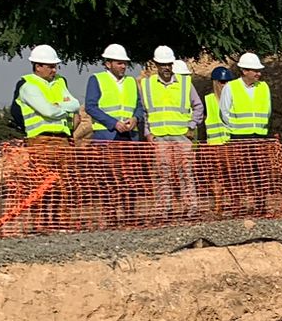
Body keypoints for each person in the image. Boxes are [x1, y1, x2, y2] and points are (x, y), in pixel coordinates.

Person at [16, 46, 81, 230]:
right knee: (42, 184)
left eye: (55, 66)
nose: (54, 70)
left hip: (62, 140)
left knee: (63, 183)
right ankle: (41, 222)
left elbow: (75, 104)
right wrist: (62, 107)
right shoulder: (29, 86)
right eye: (50, 66)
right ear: (38, 66)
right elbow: (47, 111)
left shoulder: (60, 83)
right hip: (41, 141)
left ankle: (59, 220)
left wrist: (57, 106)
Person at [85, 43, 143, 224]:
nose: (123, 66)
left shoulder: (131, 82)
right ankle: (110, 215)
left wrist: (135, 119)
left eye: (125, 63)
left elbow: (139, 107)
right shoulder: (97, 79)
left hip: (129, 137)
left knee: (130, 178)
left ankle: (129, 214)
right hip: (106, 137)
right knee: (107, 178)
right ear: (108, 63)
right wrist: (113, 123)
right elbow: (91, 107)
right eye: (119, 63)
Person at [142, 45, 203, 219]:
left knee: (186, 173)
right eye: (162, 64)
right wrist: (148, 132)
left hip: (182, 136)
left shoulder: (184, 84)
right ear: (156, 64)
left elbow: (198, 106)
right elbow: (146, 112)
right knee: (162, 173)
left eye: (168, 64)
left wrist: (191, 125)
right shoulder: (147, 85)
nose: (166, 68)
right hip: (160, 137)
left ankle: (191, 207)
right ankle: (164, 208)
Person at [220, 52, 275, 215]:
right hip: (239, 137)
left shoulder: (263, 87)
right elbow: (224, 112)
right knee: (240, 172)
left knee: (260, 172)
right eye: (255, 70)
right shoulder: (231, 87)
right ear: (244, 71)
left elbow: (268, 110)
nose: (258, 73)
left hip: (259, 136)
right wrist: (236, 128)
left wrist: (262, 127)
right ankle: (239, 205)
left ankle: (260, 204)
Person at [202, 65, 236, 217]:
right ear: (215, 82)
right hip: (214, 148)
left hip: (230, 146)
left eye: (228, 81)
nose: (225, 85)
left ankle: (236, 204)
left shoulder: (234, 99)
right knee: (215, 178)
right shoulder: (207, 101)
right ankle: (218, 206)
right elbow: (202, 126)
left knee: (232, 178)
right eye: (222, 82)